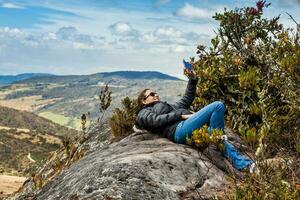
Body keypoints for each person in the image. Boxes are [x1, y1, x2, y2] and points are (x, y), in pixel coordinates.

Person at [135, 67, 256, 172]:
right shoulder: (143, 112)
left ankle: (247, 166)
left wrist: (192, 80)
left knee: (218, 138)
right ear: (143, 101)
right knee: (217, 106)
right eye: (151, 94)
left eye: (155, 93)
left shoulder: (169, 106)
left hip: (187, 127)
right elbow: (155, 120)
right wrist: (180, 116)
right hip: (178, 130)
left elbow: (186, 99)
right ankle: (215, 144)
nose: (155, 95)